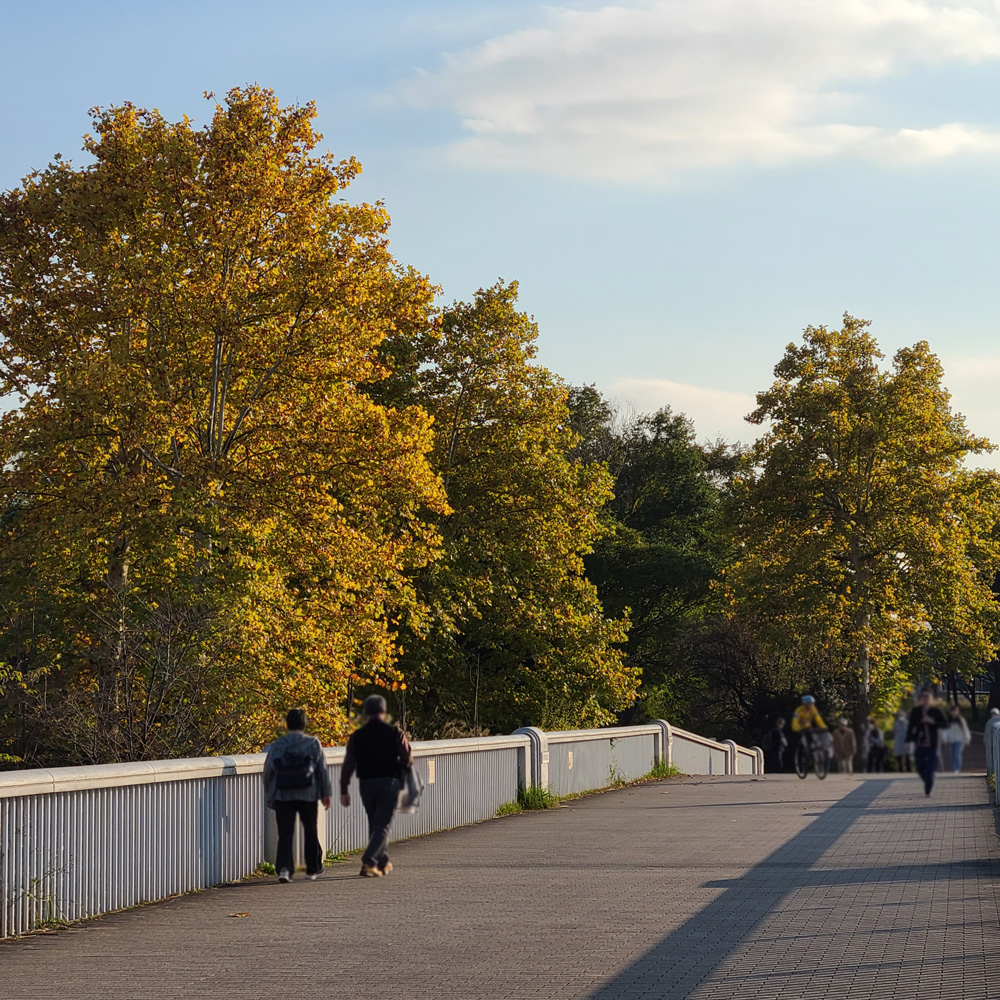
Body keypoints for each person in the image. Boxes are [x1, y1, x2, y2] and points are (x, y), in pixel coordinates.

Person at [340, 694, 413, 877]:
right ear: (383, 711)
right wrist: (403, 767)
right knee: (383, 825)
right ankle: (369, 862)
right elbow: (407, 757)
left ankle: (382, 862)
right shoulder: (394, 732)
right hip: (388, 782)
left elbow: (349, 763)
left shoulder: (357, 736)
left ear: (366, 713)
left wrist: (344, 788)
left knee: (375, 822)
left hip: (366, 783)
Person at [263, 708, 333, 883]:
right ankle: (313, 868)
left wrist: (269, 791)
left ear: (287, 724)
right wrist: (325, 793)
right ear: (304, 724)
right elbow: (321, 770)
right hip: (307, 793)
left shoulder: (277, 745)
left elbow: (269, 770)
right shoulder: (313, 743)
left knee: (285, 832)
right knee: (310, 829)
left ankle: (284, 869)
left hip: (283, 793)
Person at [907, 689, 948, 796]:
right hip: (920, 743)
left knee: (930, 768)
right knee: (920, 767)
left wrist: (932, 722)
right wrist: (908, 741)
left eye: (927, 697)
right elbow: (911, 726)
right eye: (923, 697)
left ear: (931, 699)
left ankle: (928, 787)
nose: (925, 699)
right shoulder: (916, 711)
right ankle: (928, 779)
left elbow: (945, 724)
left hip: (932, 744)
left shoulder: (936, 711)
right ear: (921, 699)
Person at [944, 705, 971, 773]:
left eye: (955, 711)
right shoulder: (949, 721)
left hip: (959, 740)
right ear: (950, 712)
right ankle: (954, 768)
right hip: (951, 740)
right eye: (952, 711)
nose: (954, 712)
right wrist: (945, 739)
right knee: (953, 755)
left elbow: (965, 729)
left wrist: (967, 738)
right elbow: (945, 731)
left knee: (957, 754)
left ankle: (957, 768)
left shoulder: (961, 720)